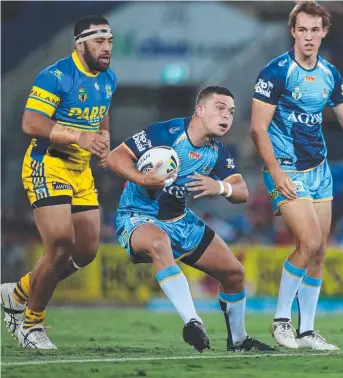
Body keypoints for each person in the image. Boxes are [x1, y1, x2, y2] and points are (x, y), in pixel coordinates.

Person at [106, 86, 274, 352]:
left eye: (230, 112)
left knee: (234, 273)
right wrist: (143, 179)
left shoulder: (219, 151)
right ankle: (193, 322)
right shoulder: (165, 133)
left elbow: (242, 191)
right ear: (199, 110)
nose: (227, 116)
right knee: (159, 242)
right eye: (220, 108)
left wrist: (220, 187)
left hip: (181, 221)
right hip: (138, 216)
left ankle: (239, 341)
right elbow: (115, 157)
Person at [250, 1, 343, 350]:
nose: (308, 37)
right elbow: (258, 130)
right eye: (301, 30)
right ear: (292, 32)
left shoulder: (330, 74)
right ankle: (280, 321)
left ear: (324, 32)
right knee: (308, 242)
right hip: (285, 169)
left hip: (319, 171)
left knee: (319, 251)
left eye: (314, 30)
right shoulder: (275, 72)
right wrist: (276, 173)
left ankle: (307, 331)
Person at [1, 15, 115, 349]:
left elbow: (103, 108)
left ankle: (17, 292)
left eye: (109, 42)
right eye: (99, 42)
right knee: (61, 244)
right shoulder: (56, 76)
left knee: (87, 251)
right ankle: (30, 324)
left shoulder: (108, 77)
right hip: (47, 164)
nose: (107, 49)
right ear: (80, 44)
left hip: (81, 172)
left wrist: (104, 138)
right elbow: (31, 122)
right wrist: (80, 136)